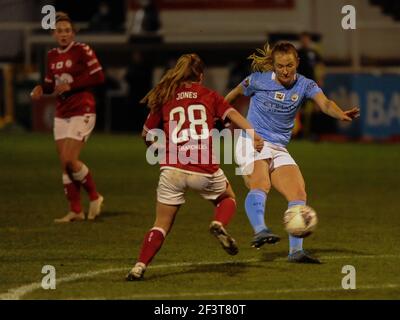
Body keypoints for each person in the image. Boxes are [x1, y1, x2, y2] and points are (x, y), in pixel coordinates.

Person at [126, 53, 264, 280]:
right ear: (201, 76)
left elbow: (146, 135)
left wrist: (157, 149)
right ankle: (218, 222)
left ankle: (139, 266)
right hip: (203, 168)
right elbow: (233, 114)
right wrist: (253, 134)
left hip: (172, 168)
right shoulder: (210, 95)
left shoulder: (165, 96)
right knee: (227, 197)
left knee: (160, 224)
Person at [225, 42, 359, 263]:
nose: (285, 71)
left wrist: (340, 113)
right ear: (274, 65)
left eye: (289, 65)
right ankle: (260, 230)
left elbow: (324, 103)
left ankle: (295, 252)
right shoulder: (258, 80)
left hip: (277, 146)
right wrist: (217, 113)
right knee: (261, 183)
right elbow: (233, 94)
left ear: (297, 62)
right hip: (251, 139)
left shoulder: (305, 85)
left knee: (298, 194)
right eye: (280, 66)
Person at [31, 12, 105, 222]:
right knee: (64, 163)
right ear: (54, 34)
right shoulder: (52, 55)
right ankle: (75, 210)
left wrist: (72, 85)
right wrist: (40, 88)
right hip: (62, 113)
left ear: (73, 33)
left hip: (82, 109)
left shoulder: (82, 50)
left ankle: (94, 196)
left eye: (67, 31)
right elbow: (50, 83)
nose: (63, 34)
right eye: (59, 31)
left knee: (71, 160)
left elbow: (98, 76)